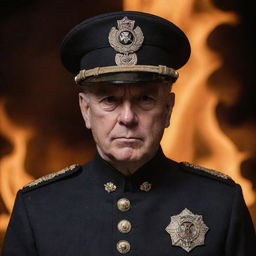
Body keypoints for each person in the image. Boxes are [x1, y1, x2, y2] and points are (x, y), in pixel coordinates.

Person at [2, 11, 256, 256]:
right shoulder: (38, 207)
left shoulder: (221, 204)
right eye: (110, 100)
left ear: (168, 109)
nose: (127, 118)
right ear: (86, 109)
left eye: (145, 99)